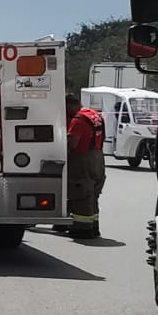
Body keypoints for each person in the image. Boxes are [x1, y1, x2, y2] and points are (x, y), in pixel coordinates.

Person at [66, 94, 107, 239]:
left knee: (81, 193)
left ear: (71, 105)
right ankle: (94, 226)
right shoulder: (95, 115)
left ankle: (82, 229)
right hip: (98, 157)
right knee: (93, 193)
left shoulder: (78, 120)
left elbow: (73, 143)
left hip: (83, 159)